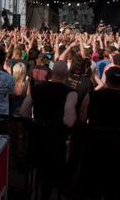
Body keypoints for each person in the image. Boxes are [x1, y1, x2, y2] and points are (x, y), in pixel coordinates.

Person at [78, 67, 120, 200]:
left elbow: (82, 119)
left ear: (106, 80)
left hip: (95, 148)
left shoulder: (92, 97)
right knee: (114, 189)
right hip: (118, 151)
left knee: (92, 187)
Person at [19, 60, 77, 200]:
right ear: (67, 74)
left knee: (35, 169)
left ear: (51, 72)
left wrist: (32, 127)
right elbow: (69, 121)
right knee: (50, 174)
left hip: (38, 135)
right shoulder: (70, 93)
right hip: (56, 139)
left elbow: (22, 112)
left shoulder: (37, 89)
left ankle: (29, 195)